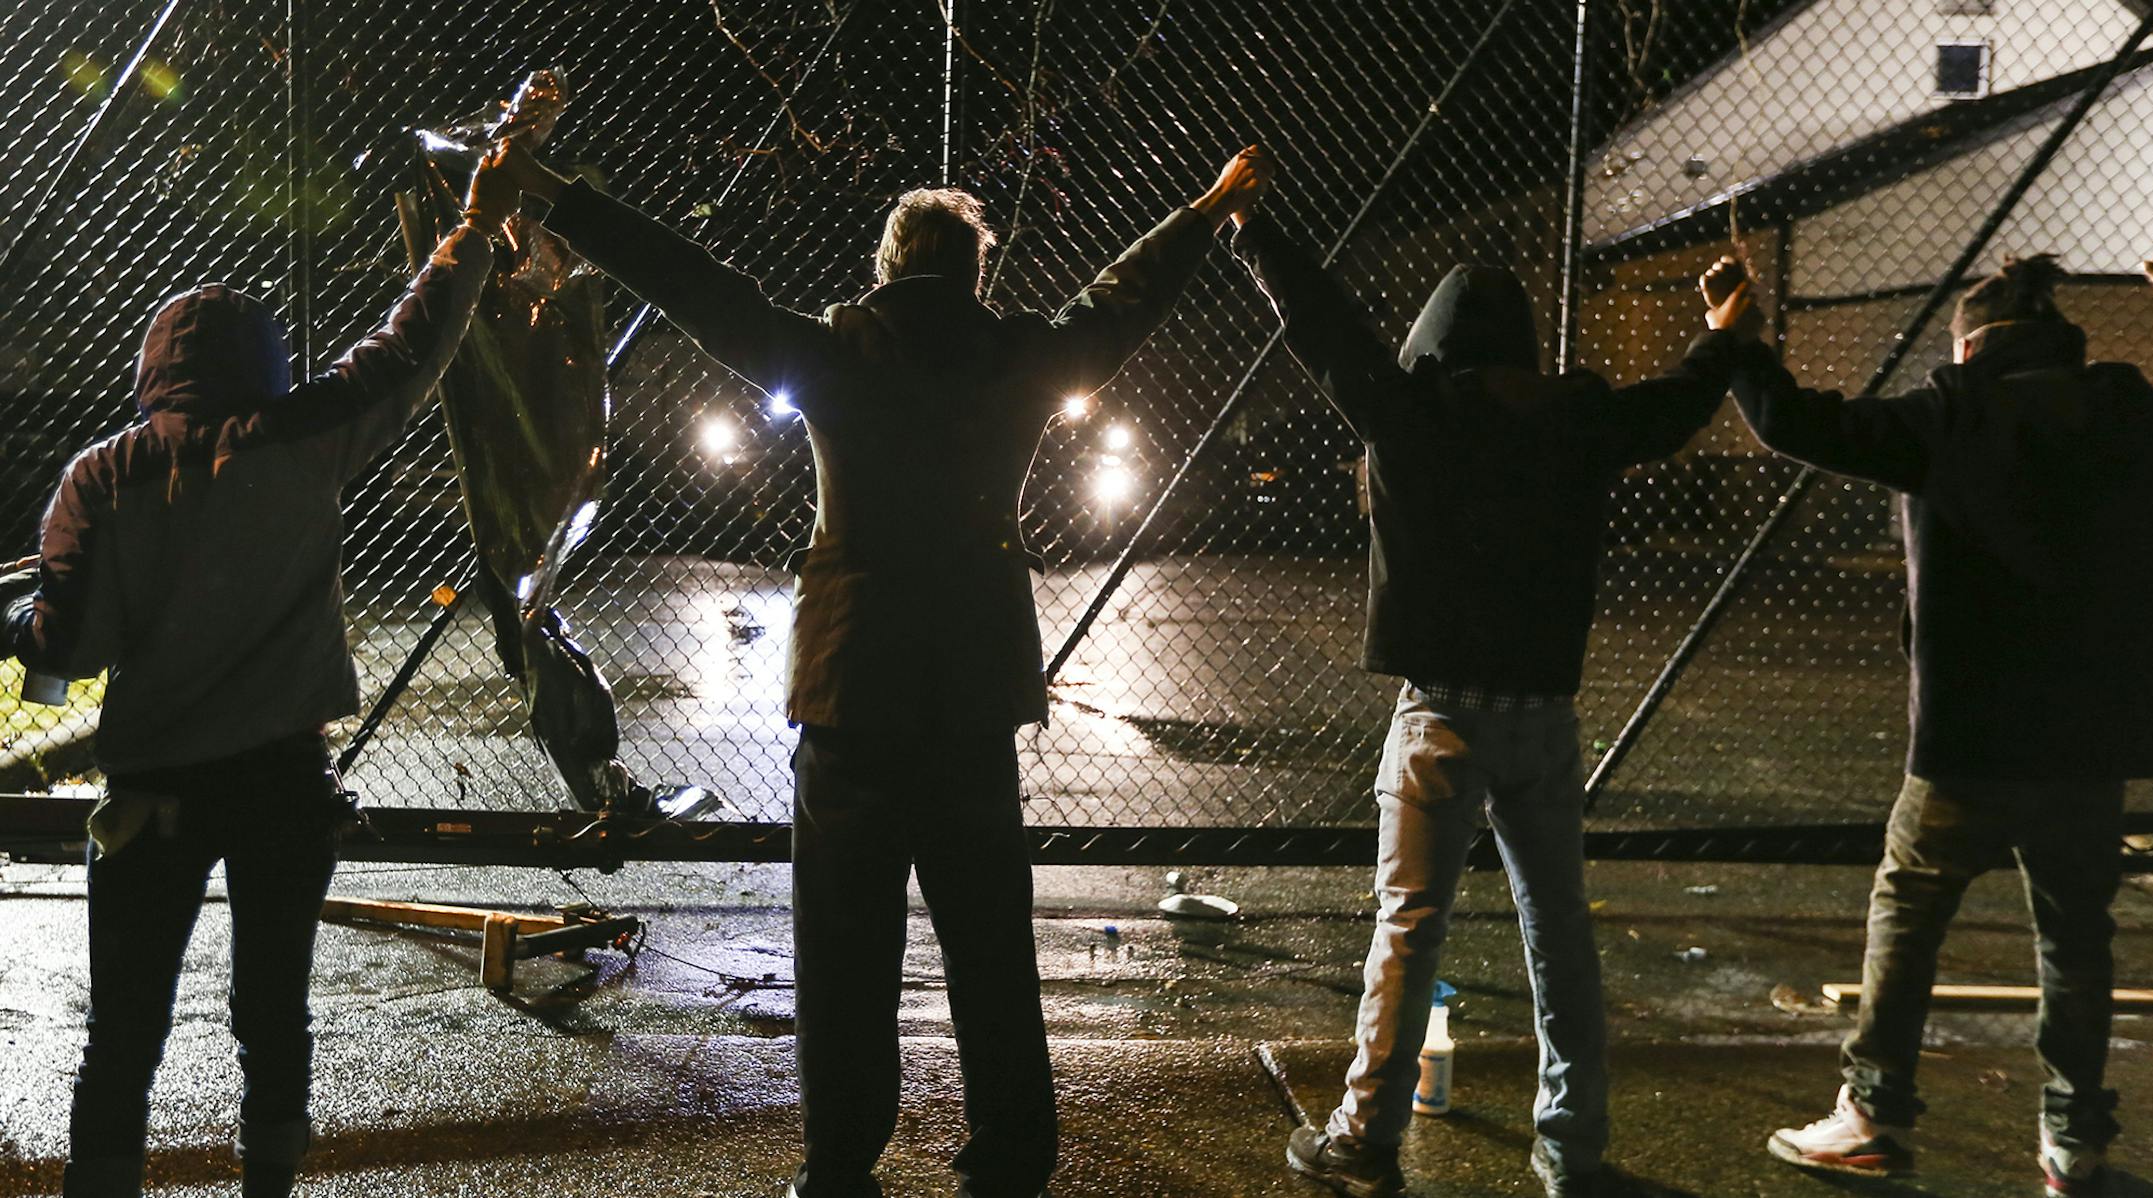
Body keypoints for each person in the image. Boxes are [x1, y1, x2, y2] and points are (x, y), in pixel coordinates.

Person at [477, 139, 1273, 1198]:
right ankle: (1009, 1157)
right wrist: (1208, 206)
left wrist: (563, 196)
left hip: (853, 692)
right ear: (972, 276)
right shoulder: (1017, 360)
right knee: (990, 945)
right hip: (972, 699)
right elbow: (1118, 302)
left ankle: (842, 1164)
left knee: (846, 953)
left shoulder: (838, 359)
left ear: (885, 267)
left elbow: (697, 287)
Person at [0, 152, 513, 1196]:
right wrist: (469, 230)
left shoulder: (101, 477)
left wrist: (27, 622)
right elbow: (407, 347)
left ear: (154, 369)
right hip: (285, 783)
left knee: (125, 1032)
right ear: (268, 364)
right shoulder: (306, 436)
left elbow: (70, 651)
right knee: (274, 1014)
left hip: (155, 796)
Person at [1229, 208, 1755, 1198]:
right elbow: (1680, 402)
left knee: (1409, 926)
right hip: (1542, 717)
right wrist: (1723, 331)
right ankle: (1571, 1146)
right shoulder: (1578, 419)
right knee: (1558, 927)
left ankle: (1365, 1136)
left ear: (1434, 341)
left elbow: (1324, 326)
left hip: (1439, 715)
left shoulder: (1409, 411)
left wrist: (1259, 230)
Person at [1734, 253, 2153, 1197]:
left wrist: (1740, 339)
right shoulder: (2130, 416)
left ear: (1968, 343)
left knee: (1910, 907)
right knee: (2075, 931)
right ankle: (2072, 1143)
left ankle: (1875, 1113)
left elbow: (1792, 421)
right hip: (2087, 743)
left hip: (1968, 738)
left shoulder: (1946, 417)